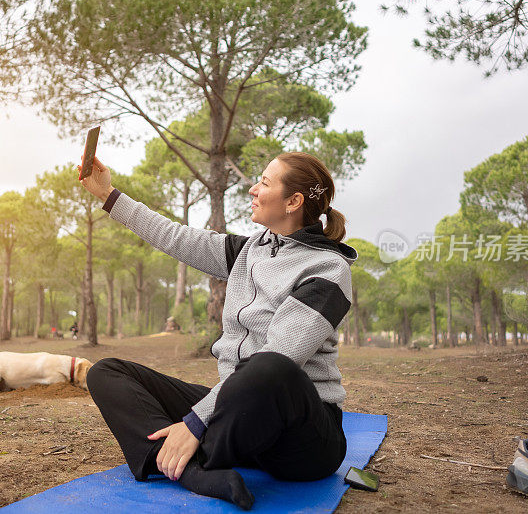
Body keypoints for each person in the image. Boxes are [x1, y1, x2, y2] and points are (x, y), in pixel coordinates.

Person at [78, 151, 358, 510]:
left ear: (293, 201)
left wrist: (195, 423)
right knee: (107, 372)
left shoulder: (328, 270)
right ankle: (191, 470)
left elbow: (281, 356)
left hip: (302, 439)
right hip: (238, 415)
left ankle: (195, 449)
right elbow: (173, 237)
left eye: (265, 183)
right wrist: (108, 194)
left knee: (270, 365)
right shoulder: (248, 251)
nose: (253, 189)